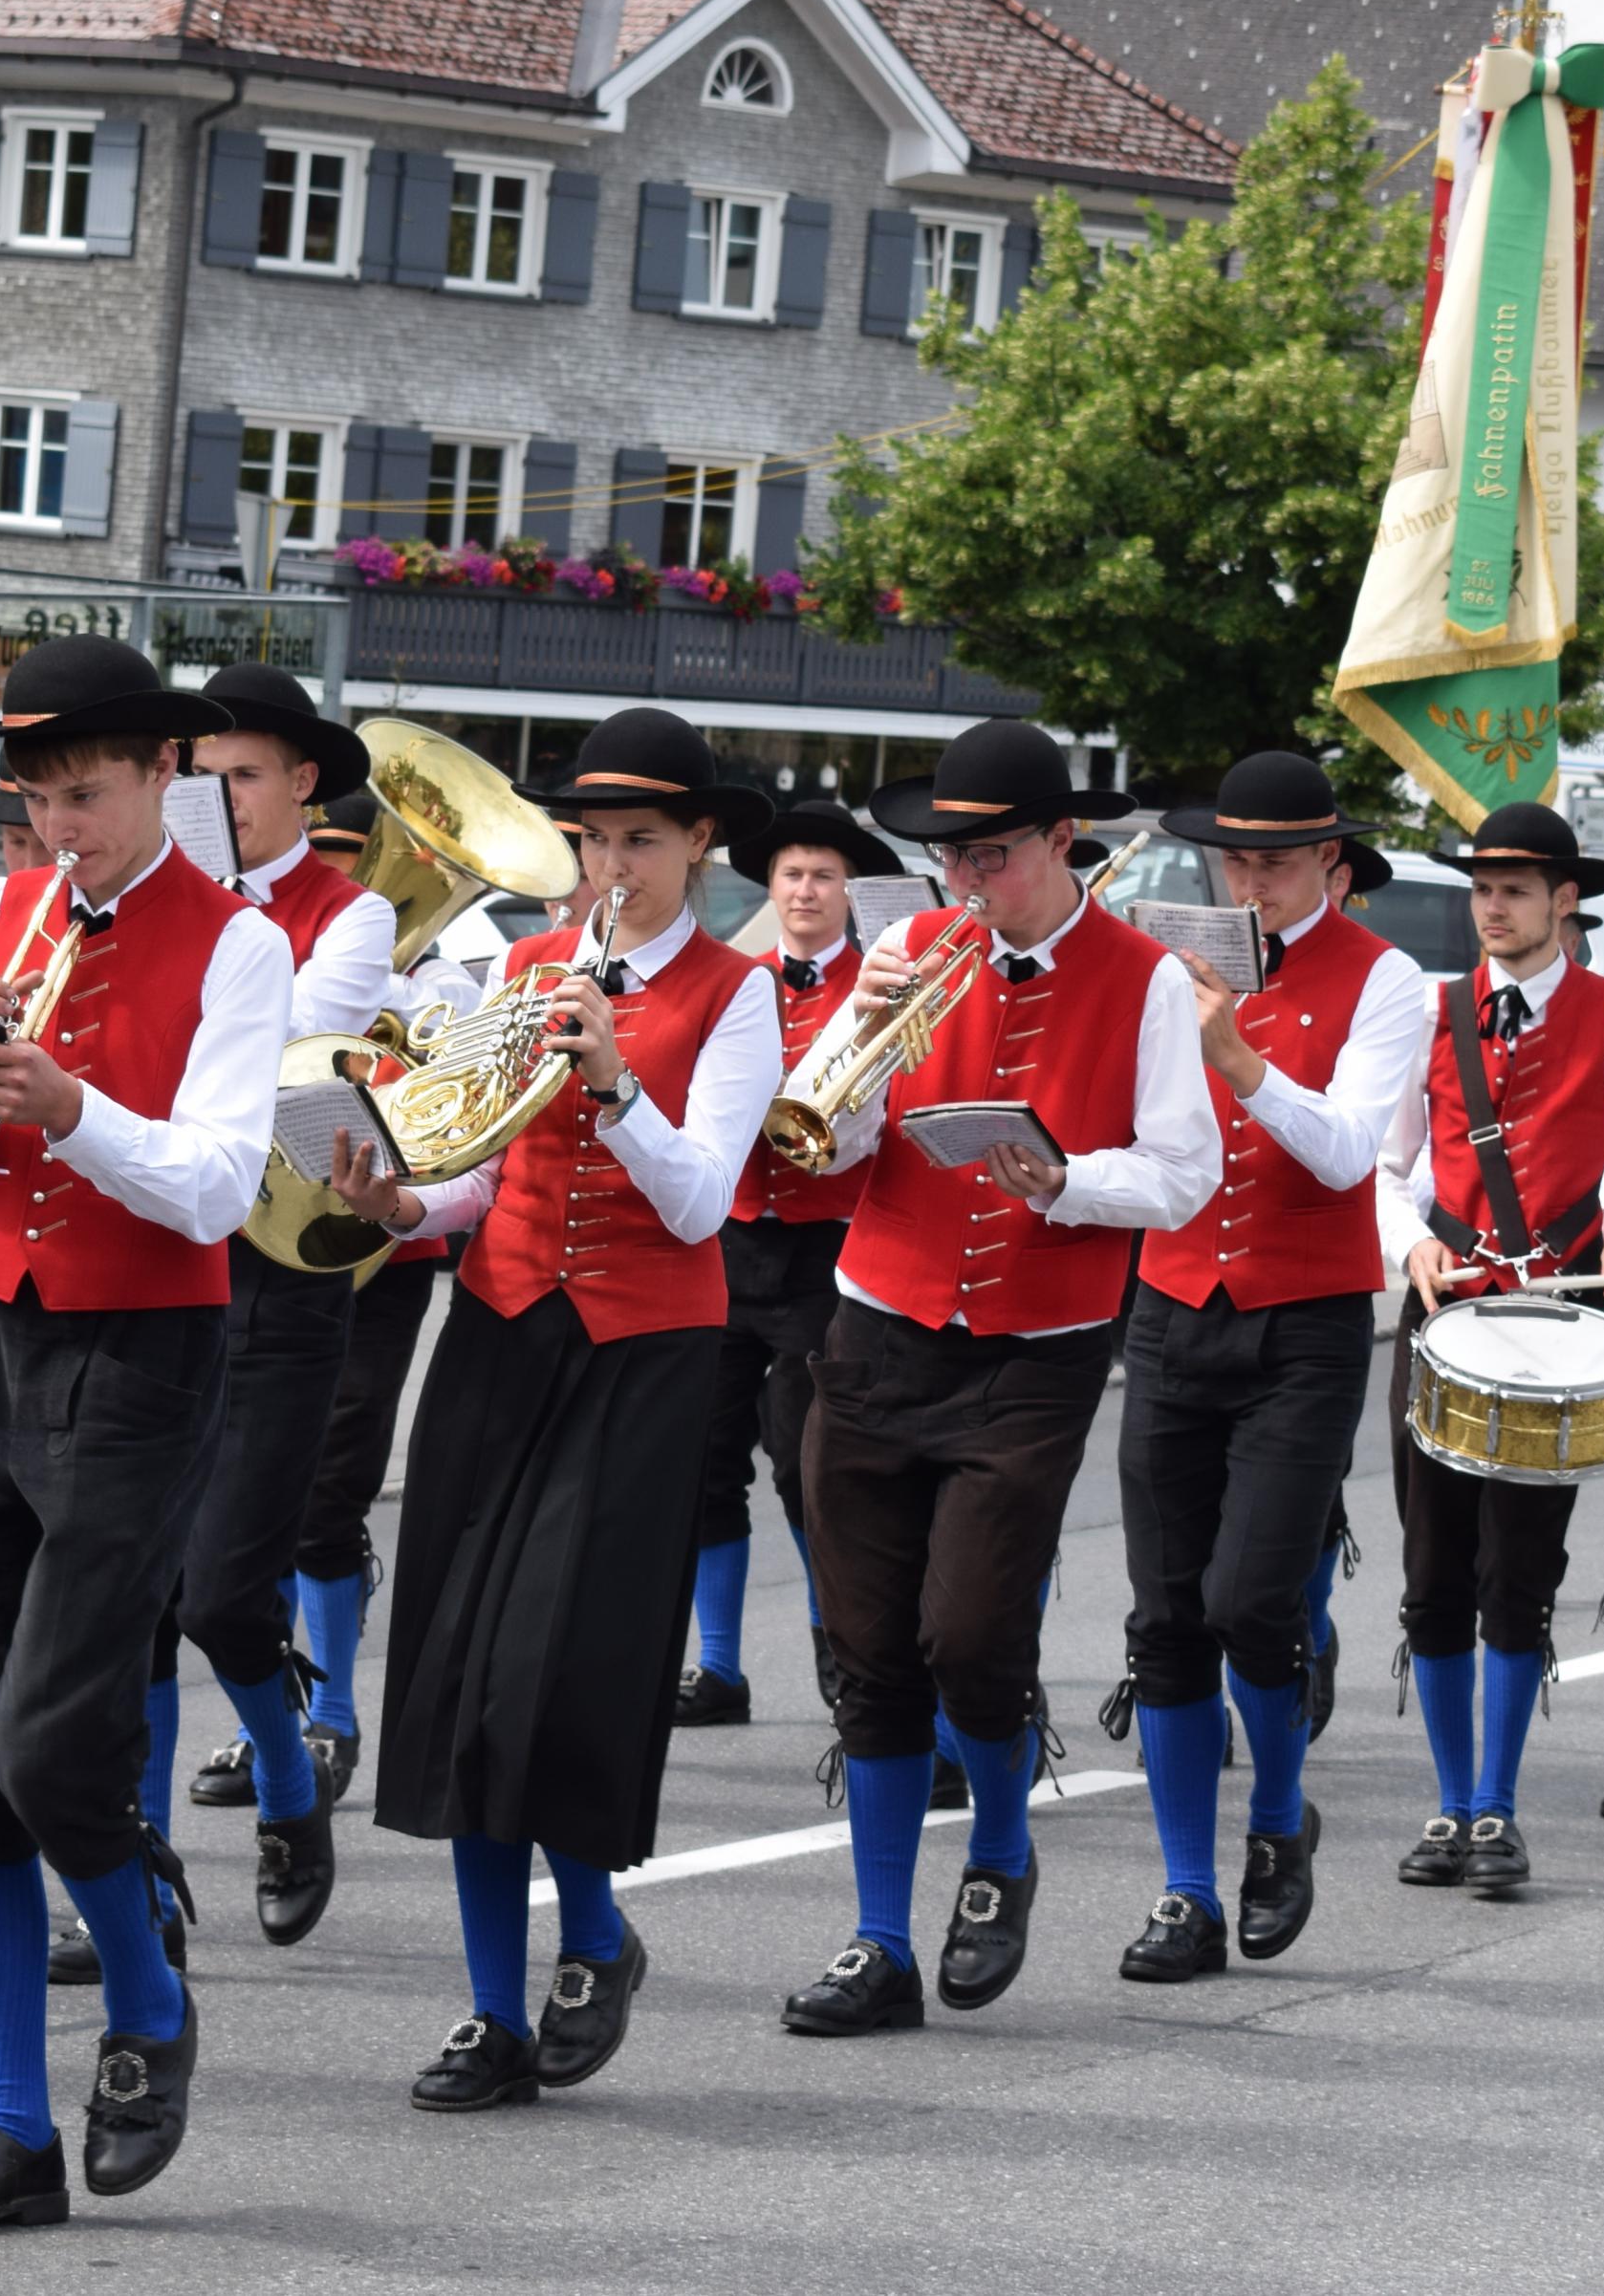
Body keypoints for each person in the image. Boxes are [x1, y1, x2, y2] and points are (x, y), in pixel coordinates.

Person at [0, 639, 283, 2237]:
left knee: (51, 1745)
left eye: (87, 794)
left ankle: (148, 1993)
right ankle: (9, 2127)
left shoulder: (238, 943)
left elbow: (218, 1186)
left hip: (139, 1349)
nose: (60, 827)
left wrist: (68, 1107)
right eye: (37, 797)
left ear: (164, 773)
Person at [322, 708, 778, 2107]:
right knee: (461, 1673)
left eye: (642, 840)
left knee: (558, 1676)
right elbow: (476, 1173)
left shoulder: (735, 993)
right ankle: (488, 2011)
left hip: (642, 1355)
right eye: (593, 840)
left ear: (700, 844)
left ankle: (590, 1934)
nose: (612, 867)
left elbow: (701, 1201)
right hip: (502, 1335)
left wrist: (617, 1080)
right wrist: (398, 1201)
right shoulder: (521, 966)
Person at [775, 722, 1219, 2037]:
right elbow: (818, 1142)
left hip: (1035, 1347)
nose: (966, 882)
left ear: (1062, 843)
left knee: (969, 1633)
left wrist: (1069, 1181)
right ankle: (877, 1941)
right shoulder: (909, 949)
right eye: (951, 858)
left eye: (993, 856)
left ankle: (1002, 1848)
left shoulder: (1143, 979)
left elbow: (1183, 1173)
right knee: (867, 1648)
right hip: (878, 1325)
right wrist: (855, 1041)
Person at [1105, 755, 1423, 1981]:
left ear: (1331, 865)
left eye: (1276, 863)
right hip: (1172, 1302)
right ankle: (1186, 1890)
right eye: (1233, 861)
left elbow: (1346, 1153)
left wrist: (1238, 1059)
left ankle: (1280, 1815)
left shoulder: (1385, 977)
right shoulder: (1165, 968)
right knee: (1164, 1616)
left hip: (1306, 1322)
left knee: (1251, 1602)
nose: (1249, 883)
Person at [1381, 805, 1604, 1897]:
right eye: (1481, 889)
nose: (1492, 907)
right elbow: (1386, 1167)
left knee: (1517, 1572)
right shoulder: (1433, 1012)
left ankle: (1497, 1809)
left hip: (1556, 1327)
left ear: (1565, 901)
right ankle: (1447, 1801)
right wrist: (1410, 1242)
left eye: (1514, 890)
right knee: (1431, 1574)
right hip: (1443, 1319)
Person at [160, 663, 387, 1963]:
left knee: (224, 1593)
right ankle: (137, 1871)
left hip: (279, 1273)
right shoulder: (136, 905)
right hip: (156, 1256)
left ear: (303, 783)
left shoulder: (350, 915)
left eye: (242, 774)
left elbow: (279, 1053)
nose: (218, 798)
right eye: (197, 776)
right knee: (136, 1598)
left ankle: (291, 1777)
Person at [685, 800, 900, 1728]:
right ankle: (718, 1670)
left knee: (808, 1469)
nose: (805, 891)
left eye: (823, 876)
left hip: (827, 1247)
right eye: (791, 876)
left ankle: (838, 1655)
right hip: (730, 1240)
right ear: (769, 889)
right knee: (704, 1462)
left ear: (849, 892)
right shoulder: (738, 983)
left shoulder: (880, 985)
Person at [290, 789, 480, 1781]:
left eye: (359, 869)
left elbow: (458, 1129)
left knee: (329, 1486)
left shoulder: (444, 989)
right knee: (253, 1494)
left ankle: (331, 1712)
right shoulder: (279, 956)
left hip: (382, 1255)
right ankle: (272, 1714)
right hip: (269, 1237)